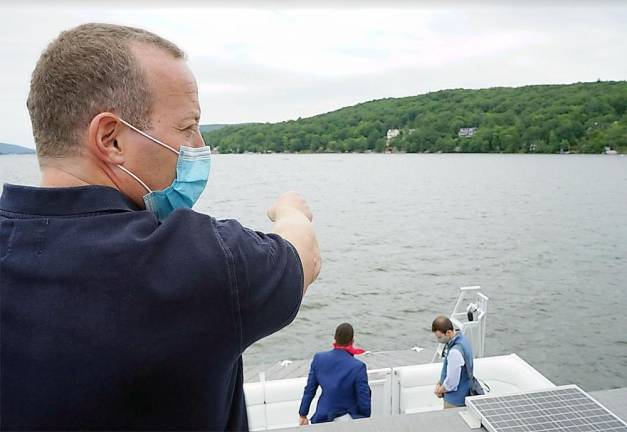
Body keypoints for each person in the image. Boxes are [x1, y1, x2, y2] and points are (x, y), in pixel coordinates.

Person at [0, 23, 321, 431]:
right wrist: (290, 212)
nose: (200, 144)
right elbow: (303, 256)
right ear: (111, 139)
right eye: (188, 126)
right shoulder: (203, 263)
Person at [298, 323, 371, 425]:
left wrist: (303, 414)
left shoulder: (319, 359)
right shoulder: (358, 367)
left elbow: (309, 390)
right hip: (348, 420)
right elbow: (364, 402)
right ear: (352, 341)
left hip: (322, 418)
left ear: (335, 339)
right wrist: (364, 419)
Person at [432, 316, 475, 408]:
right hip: (464, 393)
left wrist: (440, 390)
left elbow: (452, 382)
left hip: (454, 401)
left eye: (439, 337)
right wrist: (440, 383)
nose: (438, 340)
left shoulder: (454, 352)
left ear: (448, 332)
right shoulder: (463, 340)